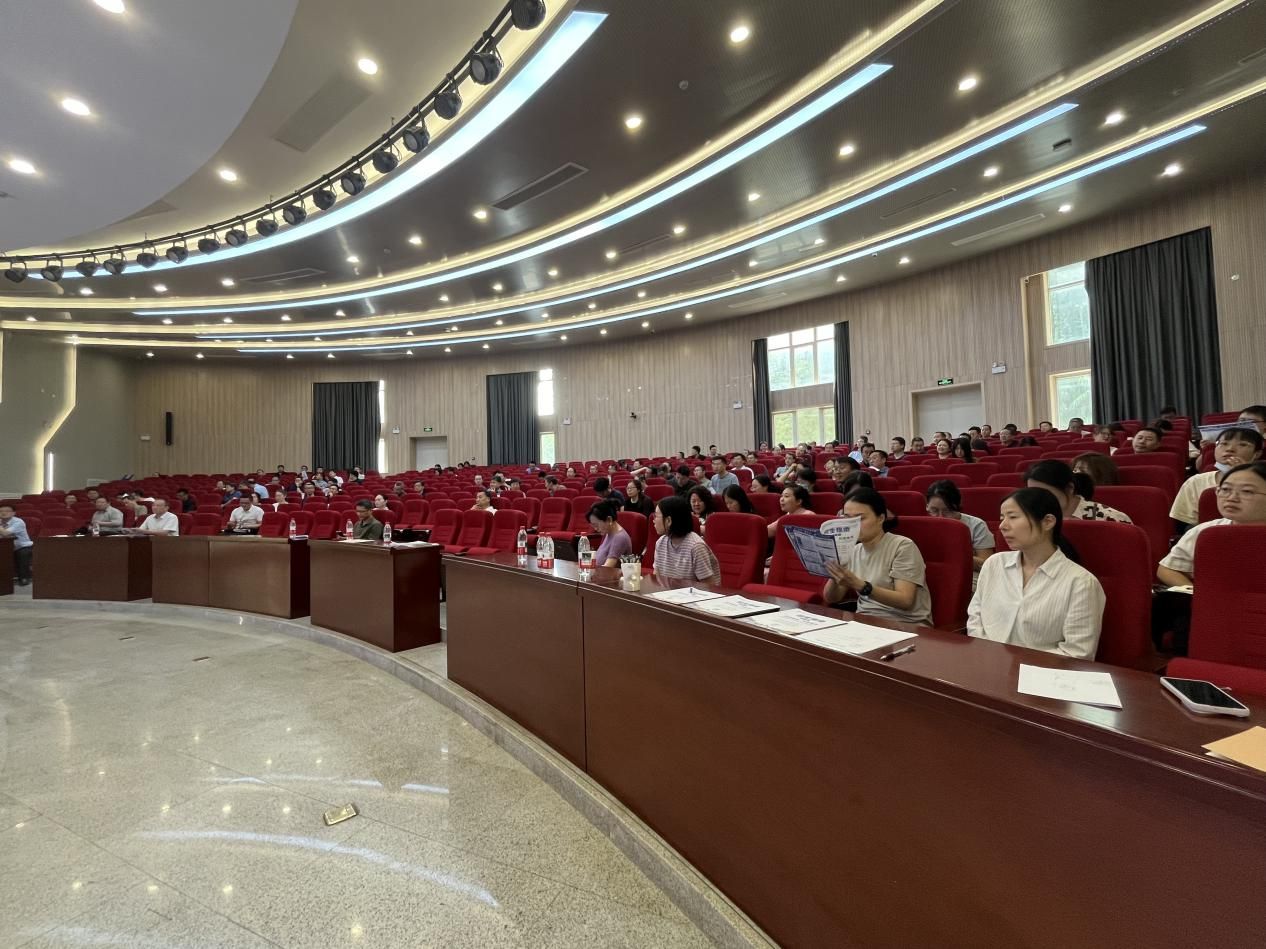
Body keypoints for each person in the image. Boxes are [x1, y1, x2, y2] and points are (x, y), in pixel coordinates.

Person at [967, 488, 1106, 659]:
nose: (1002, 526)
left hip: (1041, 673)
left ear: (1048, 522)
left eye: (1013, 517)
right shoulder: (994, 564)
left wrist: (1015, 665)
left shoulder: (1081, 583)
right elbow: (975, 617)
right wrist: (988, 655)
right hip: (984, 662)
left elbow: (1078, 652)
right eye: (1002, 518)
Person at [822, 489, 932, 626]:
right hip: (864, 621)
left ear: (880, 518)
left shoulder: (902, 546)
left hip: (905, 624)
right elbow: (832, 598)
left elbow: (905, 601)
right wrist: (834, 575)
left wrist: (859, 585)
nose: (852, 525)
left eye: (860, 518)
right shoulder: (852, 550)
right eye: (847, 518)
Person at [1158, 462, 1266, 588]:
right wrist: (1198, 594)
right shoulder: (1205, 531)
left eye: (1247, 491)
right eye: (1225, 489)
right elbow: (1168, 569)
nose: (1232, 498)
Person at [1169, 428, 1263, 527]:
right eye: (1224, 444)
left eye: (1242, 444)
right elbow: (1185, 525)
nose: (1230, 449)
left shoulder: (1263, 481)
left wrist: (1244, 473)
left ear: (1257, 454)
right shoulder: (1196, 481)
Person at [1025, 460, 1132, 523]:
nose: (1038, 500)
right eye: (1032, 493)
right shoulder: (1032, 517)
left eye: (1045, 493)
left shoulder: (1110, 519)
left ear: (1070, 488)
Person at [924, 480, 995, 571]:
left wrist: (953, 554)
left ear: (957, 507)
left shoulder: (976, 525)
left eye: (947, 511)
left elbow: (986, 563)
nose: (940, 517)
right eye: (934, 510)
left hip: (968, 573)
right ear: (927, 507)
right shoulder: (922, 525)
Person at [652, 495, 721, 584]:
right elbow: (657, 578)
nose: (653, 520)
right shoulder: (661, 542)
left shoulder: (696, 547)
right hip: (669, 592)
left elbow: (708, 587)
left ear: (669, 521)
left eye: (656, 516)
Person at [588, 500, 633, 568]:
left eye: (596, 525)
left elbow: (607, 568)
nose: (595, 529)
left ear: (609, 520)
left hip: (606, 574)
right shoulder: (608, 532)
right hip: (597, 571)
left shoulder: (620, 538)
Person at [0, 503, 34, 585]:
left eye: (7, 511)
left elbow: (5, 533)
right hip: (5, 547)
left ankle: (24, 578)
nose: (3, 513)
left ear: (13, 513)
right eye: (1, 511)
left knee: (22, 553)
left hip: (23, 546)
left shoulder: (18, 522)